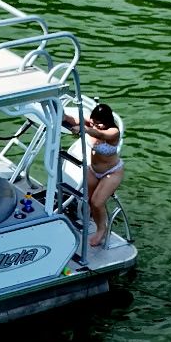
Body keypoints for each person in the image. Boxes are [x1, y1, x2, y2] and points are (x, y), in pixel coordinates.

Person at [62, 104, 123, 246]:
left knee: (97, 202)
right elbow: (76, 120)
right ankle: (98, 220)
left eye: (99, 123)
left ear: (107, 121)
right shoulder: (94, 124)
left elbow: (100, 135)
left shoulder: (113, 132)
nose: (97, 126)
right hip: (93, 170)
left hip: (112, 171)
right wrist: (64, 117)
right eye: (94, 123)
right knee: (89, 201)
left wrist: (84, 129)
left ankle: (102, 229)